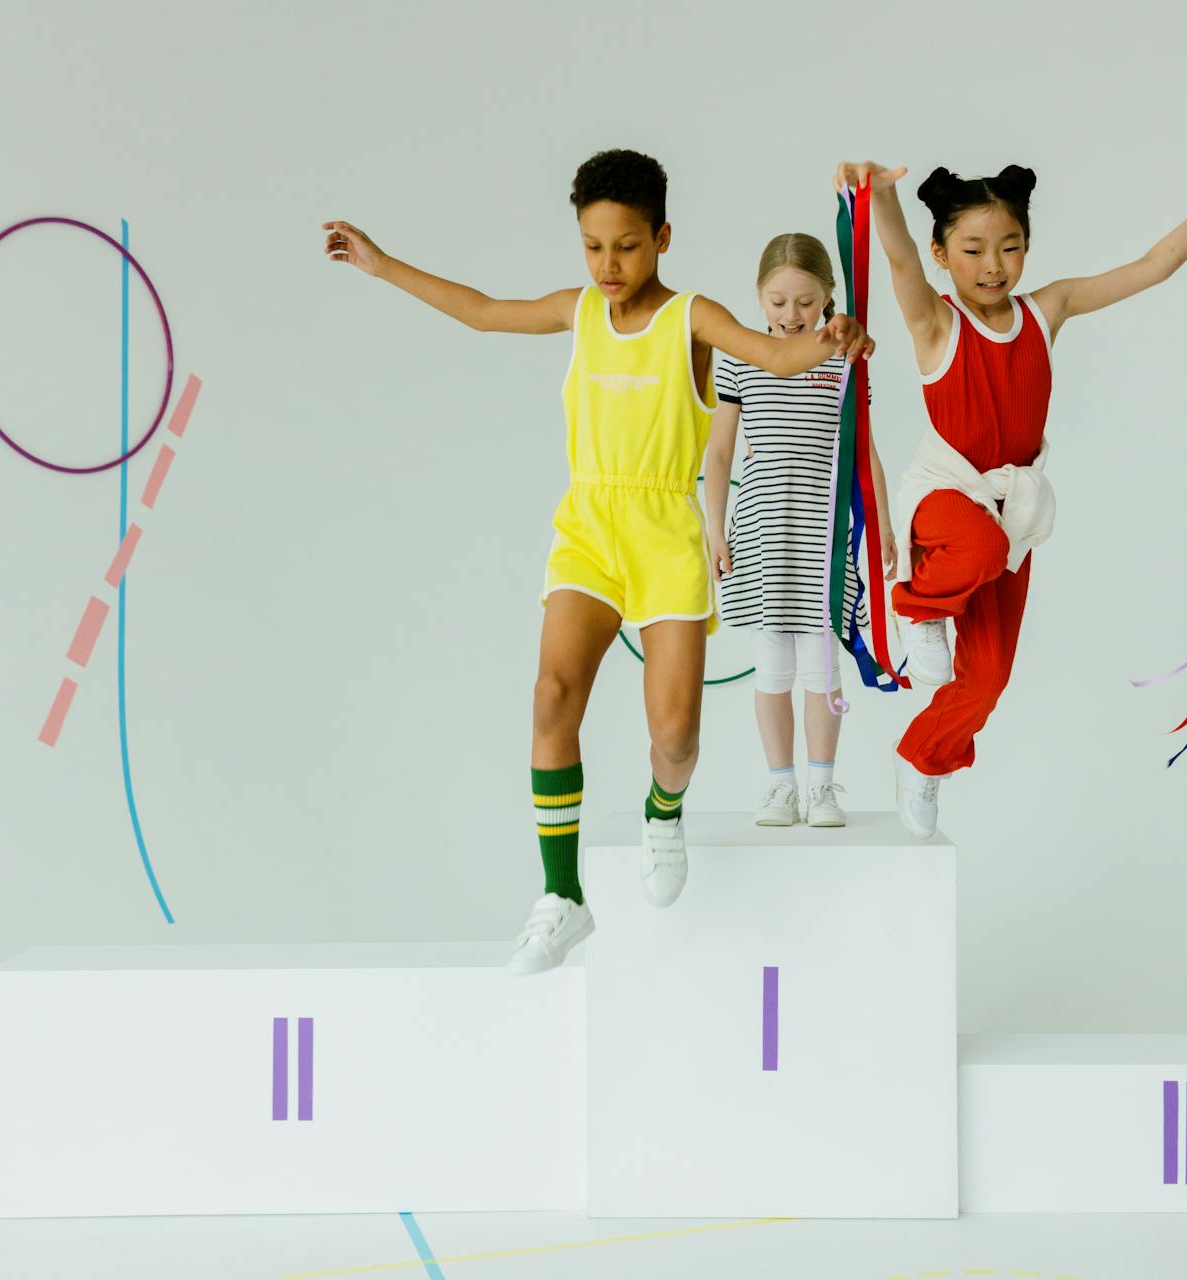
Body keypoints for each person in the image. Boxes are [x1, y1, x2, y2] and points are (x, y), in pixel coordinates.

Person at [324, 149, 872, 972]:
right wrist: (381, 264)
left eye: (625, 245)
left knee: (677, 735)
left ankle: (663, 812)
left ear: (662, 237)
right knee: (551, 695)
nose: (608, 265)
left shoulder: (692, 317)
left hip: (661, 531)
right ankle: (562, 894)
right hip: (588, 523)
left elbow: (775, 356)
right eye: (592, 246)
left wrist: (833, 341)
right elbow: (480, 310)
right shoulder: (577, 311)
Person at [835, 139, 1187, 837]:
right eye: (973, 249)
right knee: (975, 546)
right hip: (947, 501)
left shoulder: (1048, 310)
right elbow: (894, 259)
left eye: (1009, 247)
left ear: (1028, 248)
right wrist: (879, 196)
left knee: (986, 683)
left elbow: (1152, 268)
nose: (992, 265)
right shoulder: (936, 323)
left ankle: (922, 758)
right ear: (942, 254)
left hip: (1012, 511)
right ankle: (919, 607)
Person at [702, 232, 895, 829]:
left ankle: (823, 785)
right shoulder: (741, 356)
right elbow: (718, 454)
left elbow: (864, 452)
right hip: (763, 533)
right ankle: (780, 786)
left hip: (824, 535)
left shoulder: (844, 359)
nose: (791, 316)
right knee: (772, 669)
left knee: (824, 669)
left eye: (806, 302)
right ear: (760, 298)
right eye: (778, 302)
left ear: (828, 297)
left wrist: (883, 524)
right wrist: (715, 530)